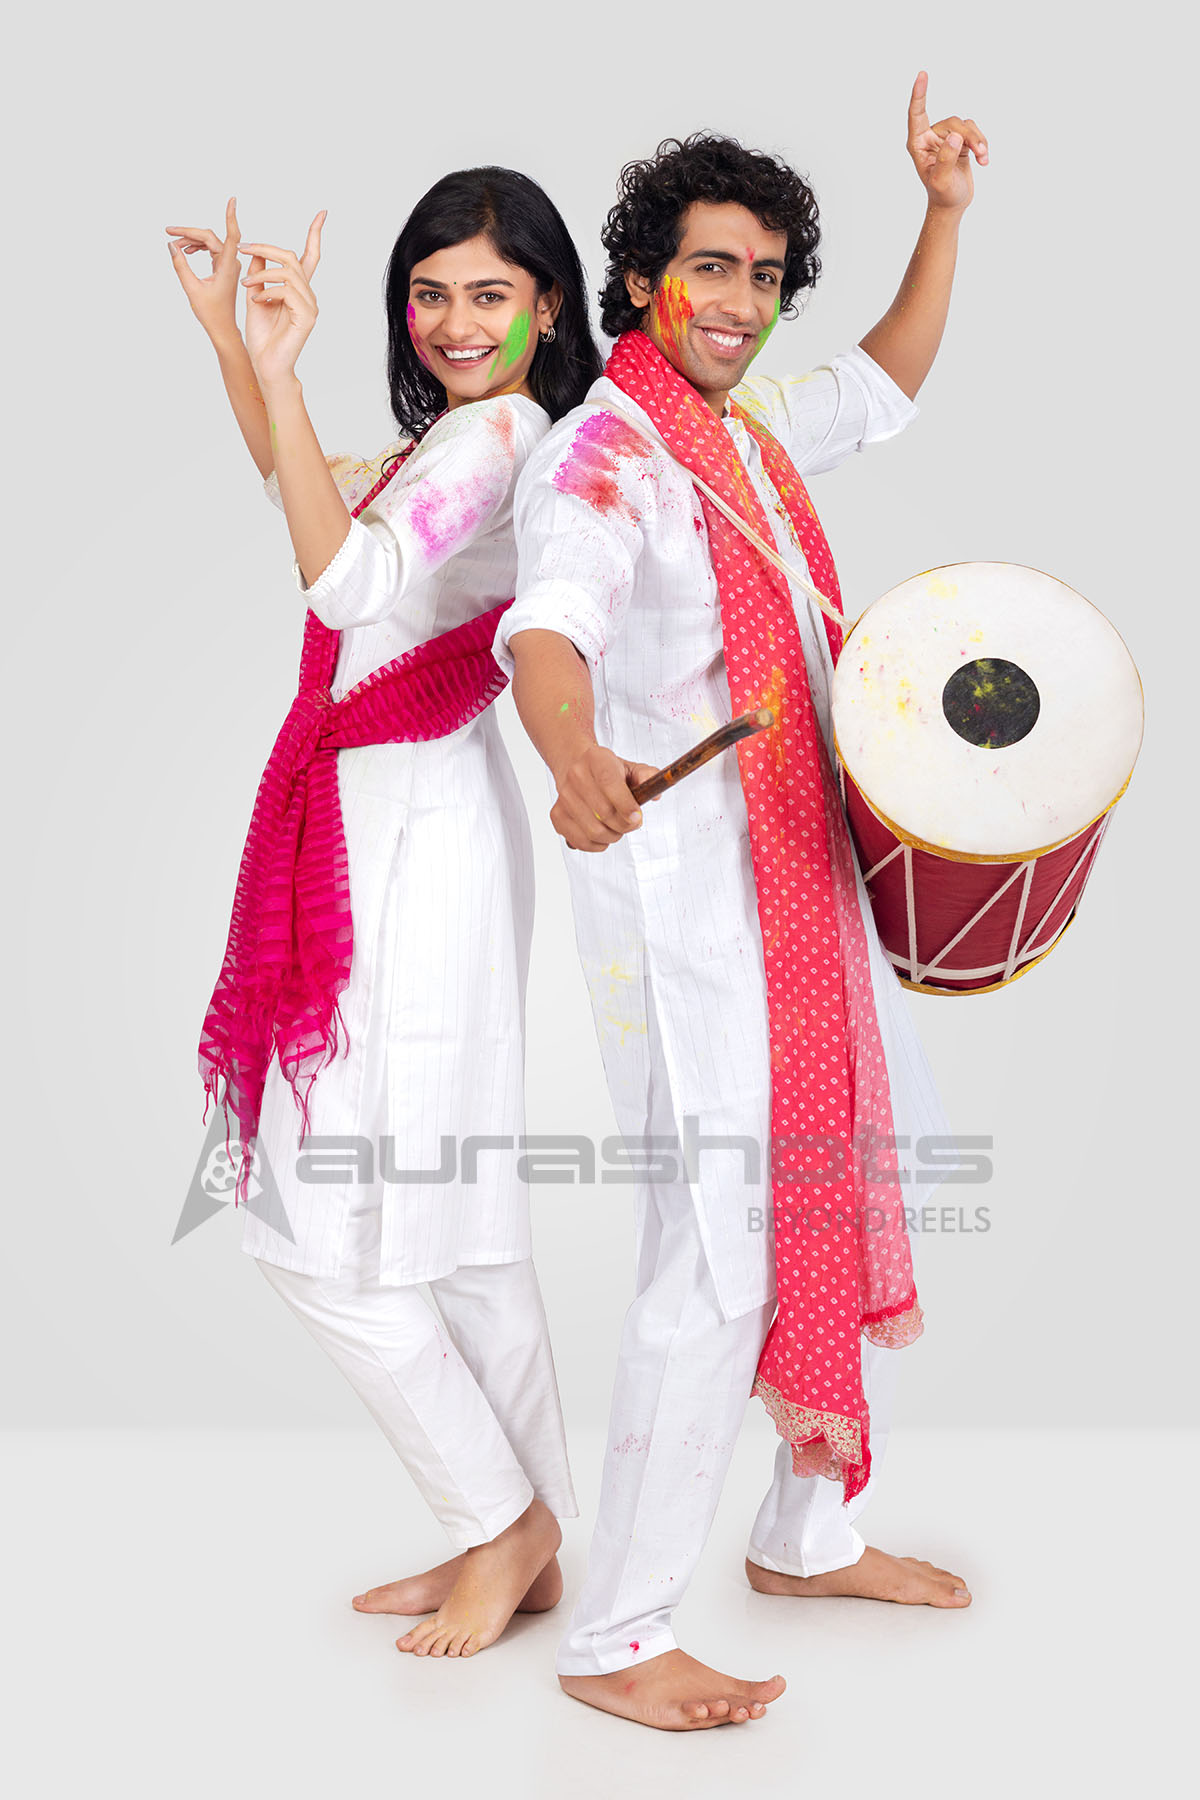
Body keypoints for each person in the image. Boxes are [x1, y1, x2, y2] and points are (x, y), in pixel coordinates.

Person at [497, 74, 987, 1728]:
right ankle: (618, 1636)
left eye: (766, 277)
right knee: (715, 1252)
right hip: (686, 915)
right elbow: (549, 630)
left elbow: (888, 379)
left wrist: (944, 213)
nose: (739, 301)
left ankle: (806, 1530)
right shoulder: (608, 454)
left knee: (832, 1190)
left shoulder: (746, 438)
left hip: (799, 885)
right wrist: (571, 752)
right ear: (644, 279)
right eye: (710, 268)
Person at [167, 166, 603, 1659]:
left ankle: (498, 1520)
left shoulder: (492, 440)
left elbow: (345, 585)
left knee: (306, 1230)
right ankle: (531, 1538)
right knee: (464, 1232)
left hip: (405, 843)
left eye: (489, 292)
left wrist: (277, 370)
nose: (454, 321)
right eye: (429, 292)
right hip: (416, 822)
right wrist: (236, 345)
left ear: (548, 305)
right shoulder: (470, 442)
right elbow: (307, 499)